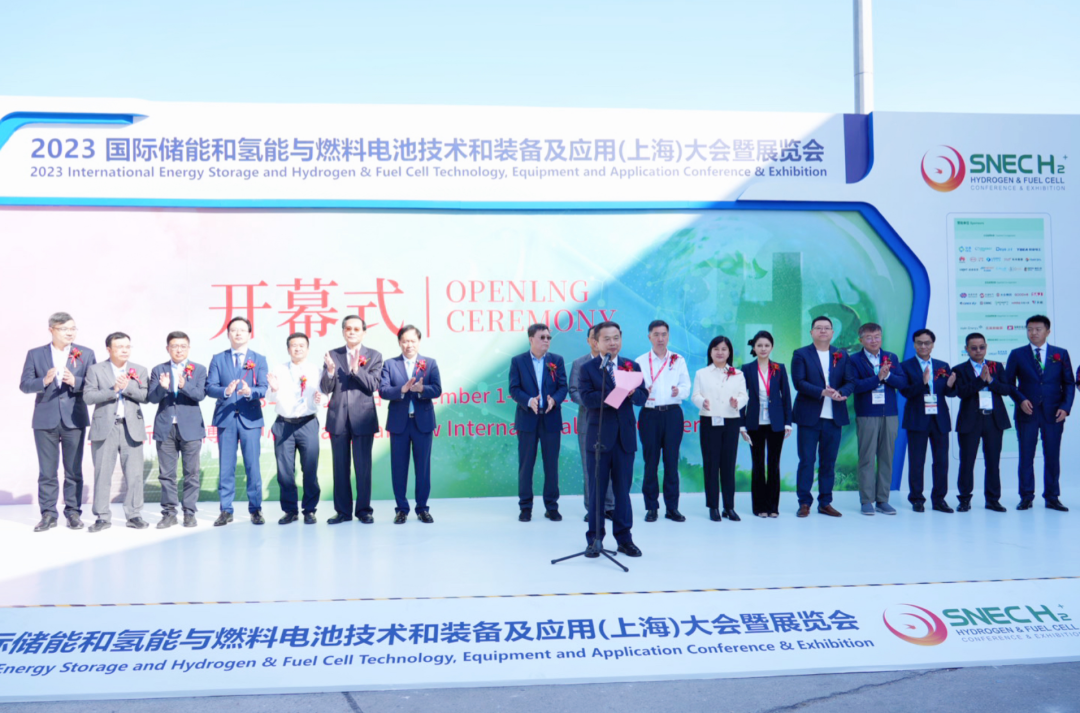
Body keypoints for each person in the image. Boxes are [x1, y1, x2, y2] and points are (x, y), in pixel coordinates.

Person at [20, 312, 96, 532]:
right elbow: (24, 384)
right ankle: (48, 514)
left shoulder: (86, 353)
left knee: (73, 470)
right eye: (64, 329)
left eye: (73, 328)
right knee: (47, 471)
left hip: (74, 419)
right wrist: (43, 381)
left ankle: (73, 513)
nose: (70, 333)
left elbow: (95, 384)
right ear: (51, 330)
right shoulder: (35, 354)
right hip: (45, 420)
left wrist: (76, 381)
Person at [578, 321, 649, 557]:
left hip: (624, 439)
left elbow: (642, 396)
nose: (612, 343)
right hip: (598, 438)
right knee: (597, 492)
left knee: (622, 493)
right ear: (596, 342)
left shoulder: (631, 365)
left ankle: (624, 539)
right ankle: (595, 539)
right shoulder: (588, 368)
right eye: (607, 339)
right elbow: (588, 399)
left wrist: (633, 392)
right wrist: (618, 391)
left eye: (616, 338)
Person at [1005, 315, 1074, 512]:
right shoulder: (1017, 354)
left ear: (1047, 331)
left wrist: (1065, 407)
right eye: (1029, 329)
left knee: (1052, 455)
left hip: (1054, 413)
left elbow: (1069, 383)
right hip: (1027, 413)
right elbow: (1009, 383)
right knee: (1026, 456)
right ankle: (1026, 496)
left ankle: (1052, 497)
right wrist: (1020, 400)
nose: (1033, 333)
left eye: (1038, 329)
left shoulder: (1060, 354)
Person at [82, 332, 150, 532]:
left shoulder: (139, 370)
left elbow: (145, 396)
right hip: (105, 428)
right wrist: (113, 390)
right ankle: (102, 517)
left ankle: (134, 515)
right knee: (102, 474)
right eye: (120, 347)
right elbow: (88, 397)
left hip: (131, 427)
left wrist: (126, 388)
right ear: (109, 349)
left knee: (135, 474)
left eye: (127, 346)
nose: (124, 350)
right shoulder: (95, 370)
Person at [321, 315, 383, 524]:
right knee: (340, 467)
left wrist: (357, 370)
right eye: (348, 328)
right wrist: (330, 372)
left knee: (363, 467)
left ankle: (364, 510)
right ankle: (343, 512)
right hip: (338, 417)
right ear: (343, 332)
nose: (352, 332)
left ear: (364, 332)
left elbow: (373, 385)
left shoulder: (374, 355)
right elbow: (325, 388)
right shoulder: (333, 355)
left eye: (357, 329)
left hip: (363, 418)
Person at [207, 317, 269, 526]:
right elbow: (210, 387)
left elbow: (263, 387)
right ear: (228, 334)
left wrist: (250, 392)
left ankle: (256, 509)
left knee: (253, 466)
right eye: (234, 330)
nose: (238, 333)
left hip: (250, 419)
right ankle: (226, 509)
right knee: (226, 467)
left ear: (250, 334)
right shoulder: (218, 359)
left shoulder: (258, 359)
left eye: (242, 330)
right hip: (226, 419)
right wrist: (225, 391)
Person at [791, 316, 854, 517]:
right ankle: (804, 502)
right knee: (807, 461)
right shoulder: (801, 354)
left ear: (832, 332)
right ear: (811, 332)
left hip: (834, 418)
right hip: (809, 417)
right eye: (819, 328)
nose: (823, 331)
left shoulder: (841, 355)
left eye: (827, 328)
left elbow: (850, 381)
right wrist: (822, 392)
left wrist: (841, 393)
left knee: (829, 462)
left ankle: (825, 502)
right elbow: (799, 382)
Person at [380, 325, 442, 523]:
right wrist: (402, 389)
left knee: (423, 468)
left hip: (422, 423)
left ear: (419, 342)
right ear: (399, 342)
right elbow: (383, 390)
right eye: (405, 341)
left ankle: (422, 508)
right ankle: (401, 509)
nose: (409, 345)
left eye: (413, 341)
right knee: (399, 468)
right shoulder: (390, 364)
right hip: (399, 424)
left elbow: (437, 389)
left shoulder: (430, 363)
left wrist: (422, 389)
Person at [846, 323, 907, 516]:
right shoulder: (854, 360)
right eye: (869, 337)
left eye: (877, 336)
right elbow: (855, 386)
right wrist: (877, 378)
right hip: (867, 414)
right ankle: (866, 500)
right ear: (861, 340)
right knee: (866, 458)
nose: (874, 341)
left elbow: (902, 382)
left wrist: (887, 377)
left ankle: (883, 500)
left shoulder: (891, 357)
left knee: (886, 457)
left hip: (890, 414)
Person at [147, 331, 207, 529]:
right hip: (165, 428)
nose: (179, 350)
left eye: (182, 346)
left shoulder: (198, 369)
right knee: (166, 474)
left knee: (191, 473)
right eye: (174, 346)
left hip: (191, 428)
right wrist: (162, 387)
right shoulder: (159, 370)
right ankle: (169, 513)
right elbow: (152, 398)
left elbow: (200, 395)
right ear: (168, 348)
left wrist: (184, 385)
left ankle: (189, 513)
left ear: (188, 348)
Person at [508, 323, 567, 522]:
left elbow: (563, 387)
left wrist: (554, 400)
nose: (546, 341)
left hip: (550, 419)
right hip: (527, 419)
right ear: (531, 339)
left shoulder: (557, 360)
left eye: (548, 337)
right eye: (542, 337)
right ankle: (525, 507)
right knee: (526, 466)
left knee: (551, 465)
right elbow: (514, 389)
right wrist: (528, 401)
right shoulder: (518, 361)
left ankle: (552, 507)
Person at [953, 333, 1017, 512]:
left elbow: (1006, 390)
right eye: (973, 348)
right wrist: (980, 380)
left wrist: (990, 380)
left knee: (993, 462)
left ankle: (993, 500)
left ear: (986, 347)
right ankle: (964, 499)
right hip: (970, 421)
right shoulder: (959, 369)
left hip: (993, 420)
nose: (978, 351)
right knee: (967, 462)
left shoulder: (996, 366)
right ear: (966, 349)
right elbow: (961, 393)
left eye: (981, 347)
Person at [636, 320, 691, 523]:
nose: (660, 338)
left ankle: (672, 508)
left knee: (671, 461)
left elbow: (686, 385)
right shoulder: (640, 361)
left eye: (664, 334)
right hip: (649, 414)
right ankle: (651, 507)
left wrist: (679, 391)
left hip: (672, 414)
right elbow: (634, 391)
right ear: (649, 337)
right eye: (656, 334)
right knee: (650, 462)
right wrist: (643, 392)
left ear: (668, 336)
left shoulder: (678, 360)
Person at [266, 332, 323, 525]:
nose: (297, 348)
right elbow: (270, 398)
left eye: (301, 345)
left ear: (307, 348)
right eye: (294, 345)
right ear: (288, 349)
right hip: (284, 424)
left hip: (308, 423)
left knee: (310, 469)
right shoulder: (279, 370)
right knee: (285, 472)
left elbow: (323, 396)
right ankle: (290, 510)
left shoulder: (316, 370)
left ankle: (310, 510)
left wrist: (320, 399)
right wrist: (273, 388)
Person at [692, 336, 748, 521]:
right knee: (711, 465)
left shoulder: (738, 374)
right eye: (716, 349)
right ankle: (713, 507)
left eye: (724, 349)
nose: (720, 352)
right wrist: (703, 402)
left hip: (731, 421)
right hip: (709, 421)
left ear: (729, 352)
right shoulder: (701, 373)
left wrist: (737, 402)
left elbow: (744, 396)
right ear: (710, 352)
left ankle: (729, 507)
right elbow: (695, 395)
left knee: (728, 465)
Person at [899, 329, 956, 513]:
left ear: (932, 344)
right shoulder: (905, 366)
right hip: (917, 419)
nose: (923, 346)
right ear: (914, 344)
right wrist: (923, 382)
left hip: (940, 419)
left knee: (941, 462)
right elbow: (906, 392)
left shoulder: (942, 365)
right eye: (919, 343)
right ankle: (917, 499)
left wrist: (950, 385)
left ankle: (939, 500)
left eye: (927, 343)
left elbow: (949, 393)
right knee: (917, 462)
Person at [739, 331, 792, 518]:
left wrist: (788, 422)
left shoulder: (779, 368)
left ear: (772, 347)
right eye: (759, 345)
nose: (763, 349)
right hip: (754, 423)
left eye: (767, 345)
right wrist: (742, 425)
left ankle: (773, 507)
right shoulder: (746, 369)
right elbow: (741, 398)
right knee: (758, 464)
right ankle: (759, 506)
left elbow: (786, 396)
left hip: (776, 423)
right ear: (754, 348)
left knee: (774, 464)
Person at [569, 325, 614, 523]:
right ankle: (592, 507)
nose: (596, 341)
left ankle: (610, 506)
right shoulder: (580, 363)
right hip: (588, 422)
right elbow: (573, 390)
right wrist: (592, 402)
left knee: (610, 465)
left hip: (610, 422)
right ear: (589, 341)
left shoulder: (614, 362)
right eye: (593, 337)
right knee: (590, 467)